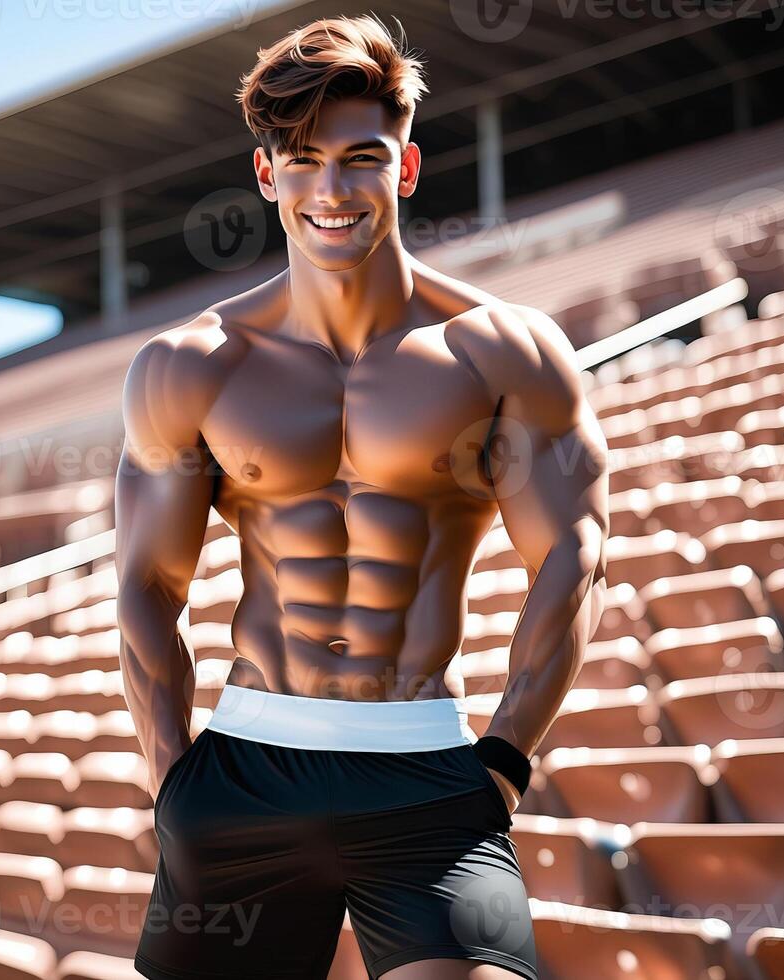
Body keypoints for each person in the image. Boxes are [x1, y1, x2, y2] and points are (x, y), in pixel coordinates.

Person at [115, 14, 608, 979]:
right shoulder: (188, 366)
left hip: (429, 771)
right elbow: (146, 587)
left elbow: (575, 555)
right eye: (300, 161)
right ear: (266, 177)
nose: (330, 190)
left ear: (407, 168)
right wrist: (172, 778)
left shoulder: (504, 349)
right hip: (245, 767)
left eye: (359, 158)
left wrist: (504, 761)